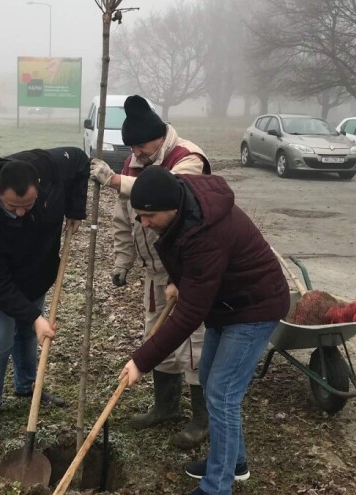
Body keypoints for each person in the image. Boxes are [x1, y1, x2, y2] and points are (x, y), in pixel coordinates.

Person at [117, 166, 290, 495]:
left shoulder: (205, 233)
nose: (144, 223)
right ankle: (233, 463)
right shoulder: (182, 205)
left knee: (222, 393)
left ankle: (217, 486)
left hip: (255, 306)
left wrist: (142, 361)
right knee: (211, 379)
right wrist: (178, 280)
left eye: (148, 216)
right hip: (227, 304)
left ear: (170, 207)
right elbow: (186, 259)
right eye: (139, 216)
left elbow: (189, 314)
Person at [89, 95, 212, 448]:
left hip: (189, 270)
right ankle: (165, 406)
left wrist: (113, 180)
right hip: (154, 272)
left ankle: (201, 419)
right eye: (132, 147)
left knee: (194, 344)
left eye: (141, 145)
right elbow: (123, 220)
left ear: (159, 136)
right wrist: (122, 262)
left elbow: (170, 191)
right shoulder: (134, 161)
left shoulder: (188, 157)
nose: (137, 153)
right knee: (155, 338)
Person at [0, 147, 91, 442]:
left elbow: (79, 161)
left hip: (34, 273)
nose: (21, 212)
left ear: (38, 185)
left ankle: (27, 386)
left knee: (28, 333)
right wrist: (33, 315)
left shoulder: (47, 168)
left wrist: (75, 209)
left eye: (28, 204)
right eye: (13, 206)